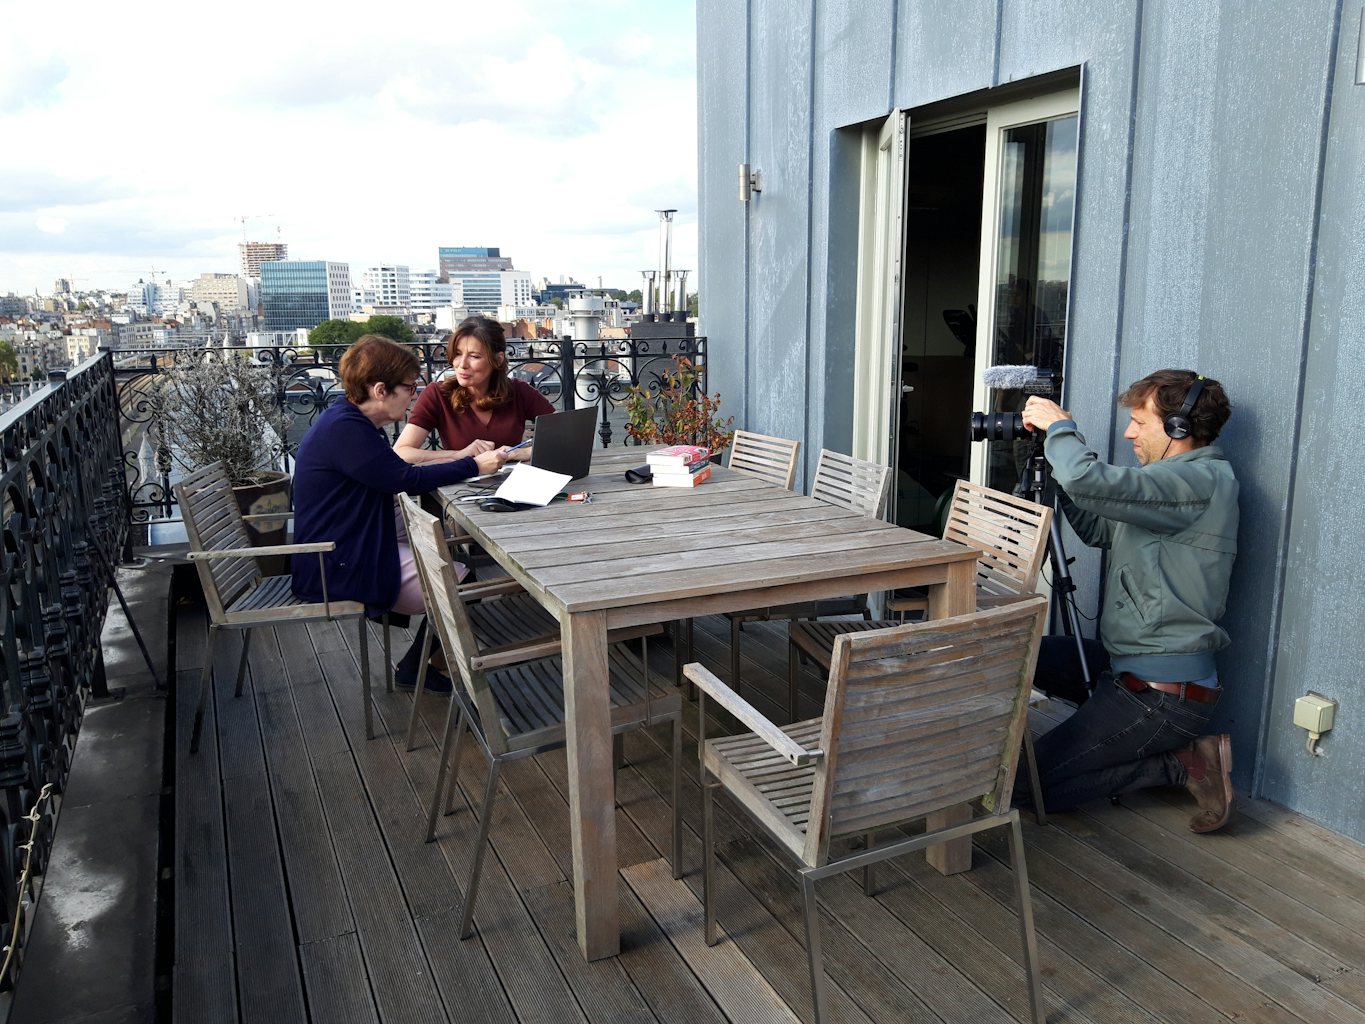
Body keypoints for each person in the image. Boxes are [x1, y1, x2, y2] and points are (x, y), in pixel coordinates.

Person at [1019, 369, 1239, 833]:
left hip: (1162, 698)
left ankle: (1182, 764)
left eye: (1140, 422)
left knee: (1023, 786)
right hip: (1123, 666)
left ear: (1179, 428)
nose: (1128, 433)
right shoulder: (1163, 484)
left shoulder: (1200, 482)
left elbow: (1085, 477)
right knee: (1017, 654)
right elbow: (1101, 528)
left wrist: (1061, 430)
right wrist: (1057, 477)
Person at [291, 334, 509, 689]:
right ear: (380, 390)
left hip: (349, 543)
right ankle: (419, 670)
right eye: (409, 387)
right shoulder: (346, 430)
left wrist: (461, 458)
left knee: (452, 559)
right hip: (337, 561)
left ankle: (425, 665)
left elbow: (395, 472)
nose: (414, 395)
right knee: (462, 582)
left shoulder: (346, 421)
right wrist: (473, 466)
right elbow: (402, 477)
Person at [394, 315, 555, 465]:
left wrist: (521, 453)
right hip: (458, 490)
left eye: (474, 356)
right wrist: (459, 455)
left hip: (511, 487)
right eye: (457, 354)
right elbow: (401, 452)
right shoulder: (438, 394)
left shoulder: (519, 391)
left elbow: (568, 434)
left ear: (498, 360)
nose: (461, 364)